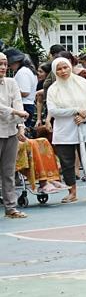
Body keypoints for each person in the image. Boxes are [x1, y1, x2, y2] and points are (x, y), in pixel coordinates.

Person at [47, 57, 86, 204]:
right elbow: (53, 111)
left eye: (65, 67)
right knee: (67, 162)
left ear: (70, 67)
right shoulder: (53, 89)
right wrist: (75, 110)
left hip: (84, 127)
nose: (63, 71)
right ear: (54, 71)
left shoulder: (83, 83)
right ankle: (72, 191)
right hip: (64, 130)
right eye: (59, 68)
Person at [0, 55, 29, 218]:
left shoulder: (12, 83)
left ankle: (11, 208)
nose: (3, 67)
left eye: (5, 64)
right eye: (0, 64)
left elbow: (18, 103)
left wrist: (21, 127)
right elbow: (5, 108)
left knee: (9, 172)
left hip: (10, 131)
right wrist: (15, 112)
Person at [8, 50, 37, 129]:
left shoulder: (23, 72)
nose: (9, 67)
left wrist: (8, 92)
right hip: (27, 105)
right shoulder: (26, 70)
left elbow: (25, 92)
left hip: (24, 105)